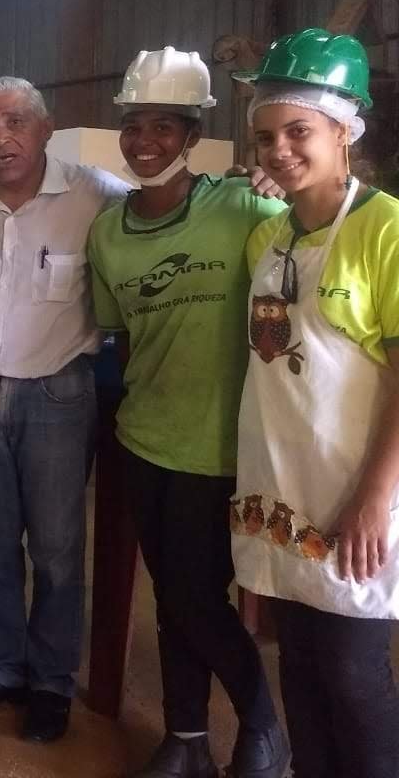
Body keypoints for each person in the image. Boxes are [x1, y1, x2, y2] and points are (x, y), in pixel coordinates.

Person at [86, 49, 288, 777]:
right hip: (146, 438)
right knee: (174, 596)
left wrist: (283, 184)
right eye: (134, 125)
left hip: (224, 445)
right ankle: (187, 736)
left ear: (193, 135)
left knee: (195, 595)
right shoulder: (107, 233)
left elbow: (308, 253)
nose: (145, 141)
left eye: (164, 127)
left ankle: (262, 724)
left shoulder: (245, 209)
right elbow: (118, 333)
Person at [0, 76, 129, 743]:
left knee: (55, 547)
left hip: (57, 393)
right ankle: (2, 667)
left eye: (16, 122)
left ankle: (51, 681)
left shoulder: (95, 196)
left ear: (45, 129)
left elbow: (162, 213)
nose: (2, 137)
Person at [233, 28, 399, 778]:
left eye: (299, 131)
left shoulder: (384, 230)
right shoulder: (266, 239)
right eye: (266, 136)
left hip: (355, 493)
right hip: (281, 492)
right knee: (299, 664)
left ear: (344, 132)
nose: (280, 149)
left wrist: (372, 500)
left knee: (353, 674)